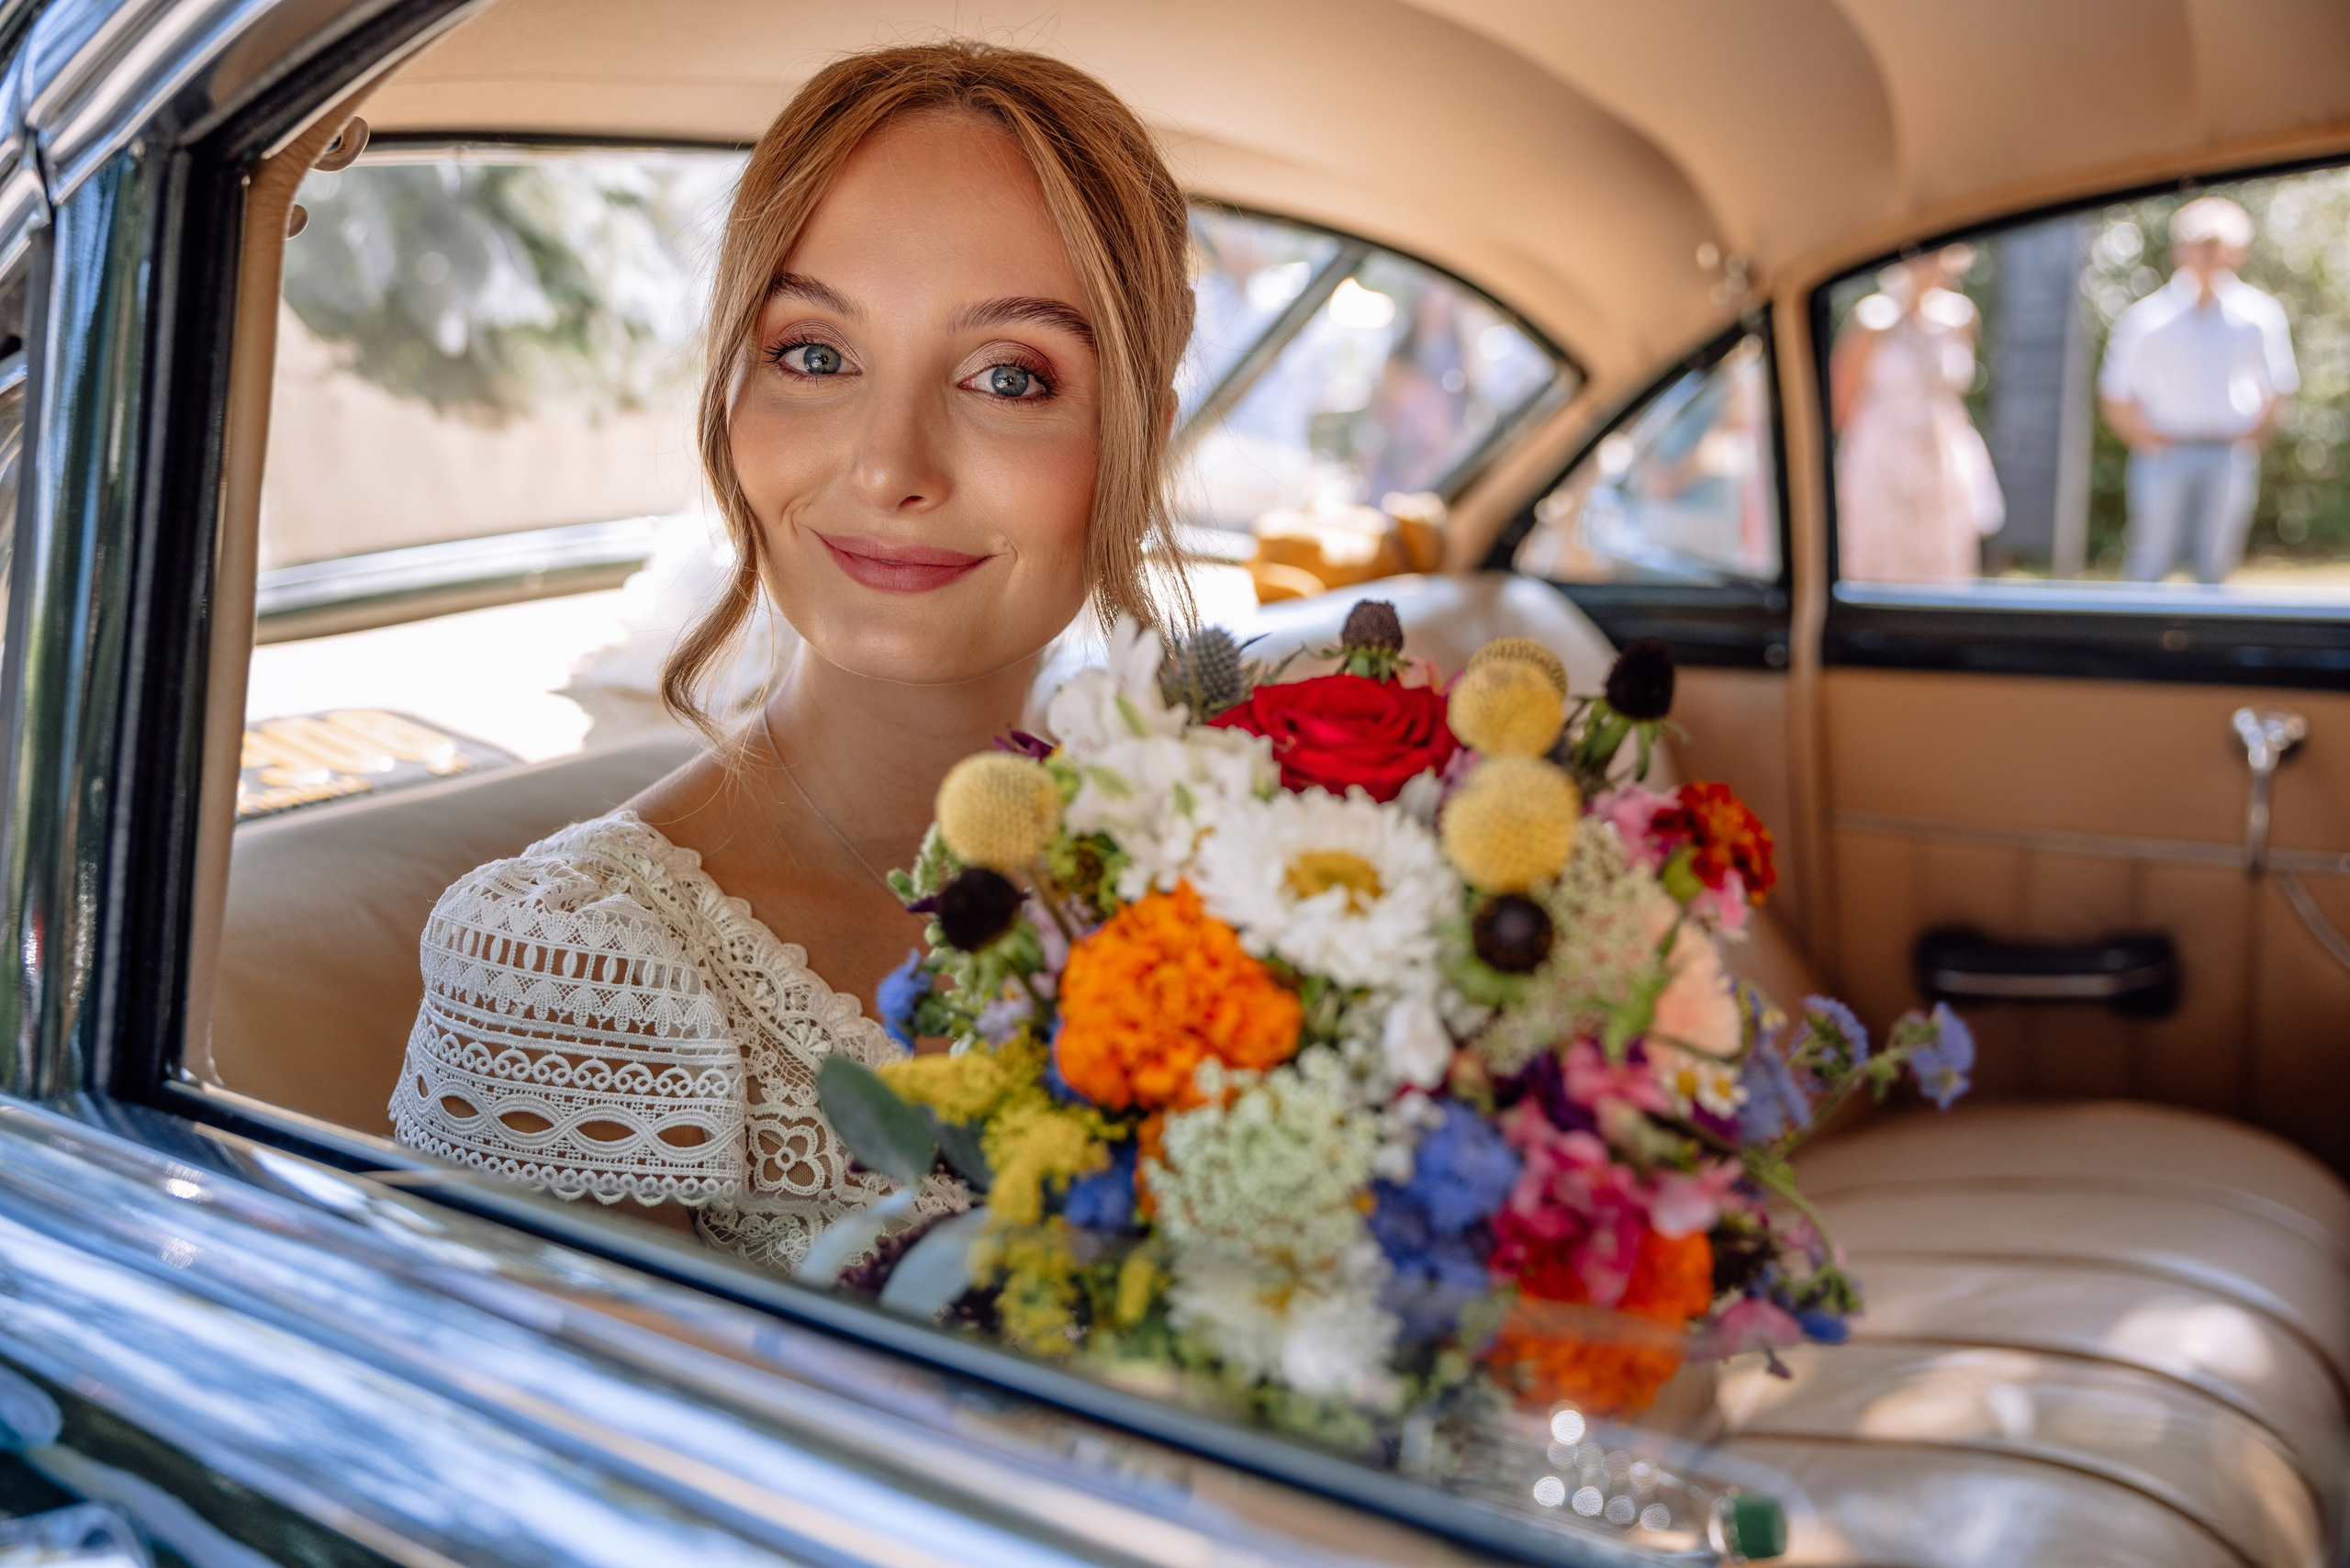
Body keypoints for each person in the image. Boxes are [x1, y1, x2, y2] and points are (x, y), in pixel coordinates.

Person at [388, 42, 1195, 1272]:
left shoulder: (1243, 865)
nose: (889, 467)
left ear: (1140, 439)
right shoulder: (577, 962)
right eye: (815, 354)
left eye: (1010, 375)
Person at [2098, 196, 2297, 585]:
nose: (2208, 257)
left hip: (2227, 455)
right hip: (2163, 453)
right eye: (2199, 245)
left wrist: (2252, 439)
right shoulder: (2148, 317)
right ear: (2179, 251)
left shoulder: (2259, 315)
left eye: (2217, 246)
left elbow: (2278, 386)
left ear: (2237, 253)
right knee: (2149, 561)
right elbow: (2114, 392)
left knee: (2216, 566)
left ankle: (2212, 648)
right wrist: (2144, 438)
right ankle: (2139, 645)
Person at [1830, 244, 2005, 583]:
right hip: (1884, 461)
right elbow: (1842, 404)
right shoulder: (1870, 319)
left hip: (1942, 460)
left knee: (1944, 562)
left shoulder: (1961, 316)